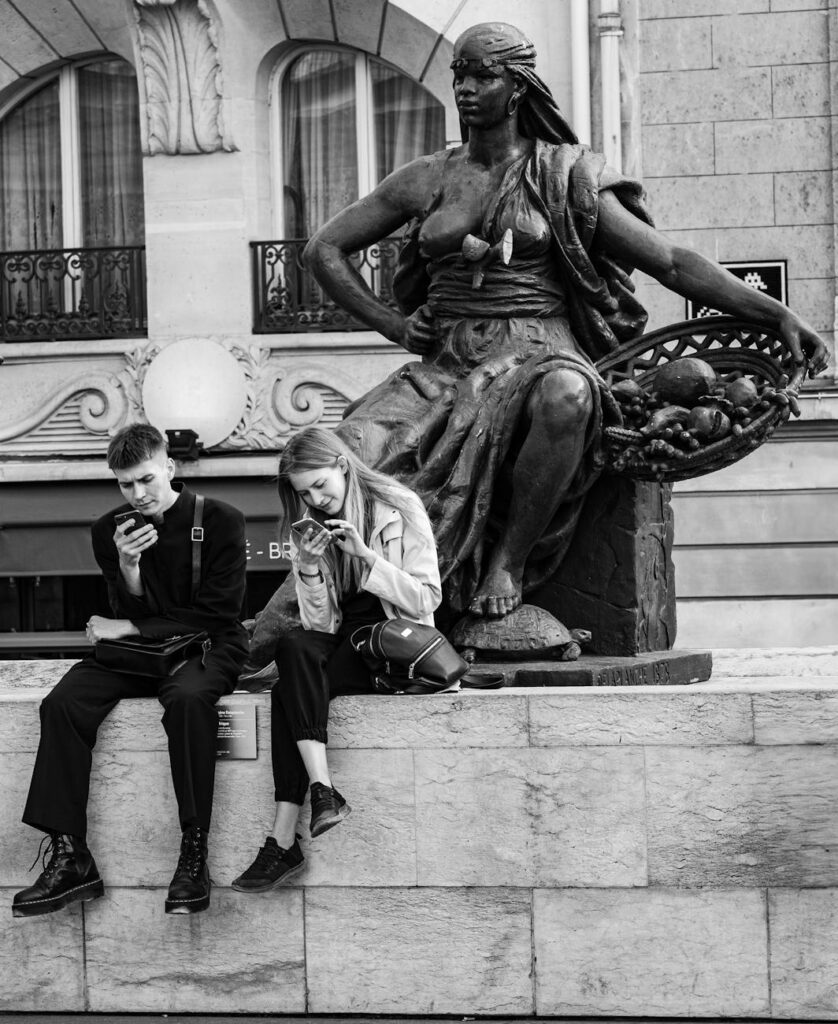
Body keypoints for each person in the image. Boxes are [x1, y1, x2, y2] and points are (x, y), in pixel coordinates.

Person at [304, 21, 830, 623]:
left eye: (484, 75)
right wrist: (393, 325)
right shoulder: (426, 177)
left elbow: (671, 262)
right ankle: (341, 597)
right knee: (346, 444)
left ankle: (508, 561)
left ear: (520, 85)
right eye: (460, 75)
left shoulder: (566, 175)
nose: (466, 88)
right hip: (447, 364)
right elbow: (323, 250)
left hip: (538, 350)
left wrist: (776, 311)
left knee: (568, 396)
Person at [13, 424, 248, 918]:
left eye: (146, 480)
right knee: (63, 702)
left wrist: (125, 626)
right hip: (141, 651)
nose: (138, 494)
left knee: (187, 700)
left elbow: (218, 613)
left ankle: (193, 853)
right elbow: (122, 606)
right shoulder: (109, 530)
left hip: (206, 645)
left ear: (170, 467)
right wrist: (128, 565)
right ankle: (71, 856)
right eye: (125, 484)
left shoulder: (223, 520)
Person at [231, 427, 440, 891]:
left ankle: (282, 841)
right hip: (344, 645)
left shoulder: (399, 508)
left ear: (343, 466)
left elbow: (425, 600)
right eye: (305, 493)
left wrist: (366, 558)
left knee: (288, 688)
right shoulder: (311, 528)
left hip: (392, 646)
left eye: (322, 485)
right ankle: (323, 792)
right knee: (293, 648)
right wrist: (307, 568)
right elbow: (320, 627)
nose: (317, 499)